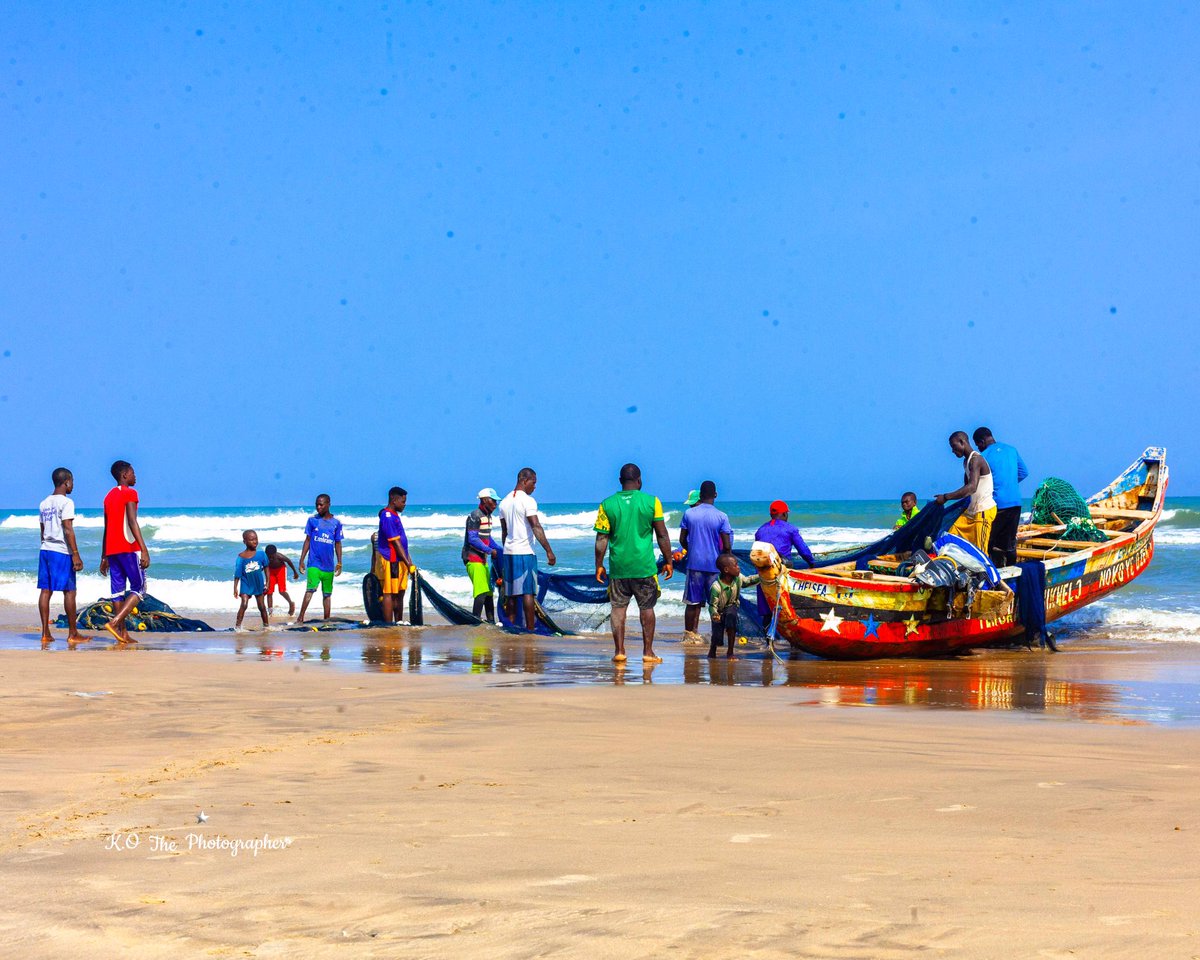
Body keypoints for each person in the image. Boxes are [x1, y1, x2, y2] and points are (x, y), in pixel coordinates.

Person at [594, 463, 675, 664]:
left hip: (619, 568)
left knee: (618, 609)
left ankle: (619, 651)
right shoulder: (652, 502)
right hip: (644, 567)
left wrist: (599, 564)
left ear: (621, 481)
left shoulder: (607, 504)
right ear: (639, 481)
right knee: (646, 608)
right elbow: (662, 534)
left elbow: (601, 538)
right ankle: (648, 652)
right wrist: (668, 560)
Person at [98, 460, 150, 643]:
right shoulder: (130, 493)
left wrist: (104, 555)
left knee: (118, 592)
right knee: (139, 588)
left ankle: (123, 633)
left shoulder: (108, 497)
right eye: (133, 472)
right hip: (129, 548)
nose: (135, 476)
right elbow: (132, 521)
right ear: (124, 475)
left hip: (112, 551)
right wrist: (143, 549)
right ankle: (115, 622)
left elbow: (107, 527)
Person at [498, 467, 556, 630]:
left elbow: (505, 532)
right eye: (533, 482)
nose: (535, 486)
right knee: (528, 593)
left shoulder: (504, 502)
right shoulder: (528, 501)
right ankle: (530, 629)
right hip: (525, 553)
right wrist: (549, 551)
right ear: (524, 481)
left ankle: (510, 628)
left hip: (509, 552)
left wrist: (507, 549)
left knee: (510, 595)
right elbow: (536, 526)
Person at [37, 467, 88, 645]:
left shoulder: (44, 503)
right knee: (69, 591)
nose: (73, 485)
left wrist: (45, 546)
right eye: (72, 482)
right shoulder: (67, 502)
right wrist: (76, 554)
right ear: (66, 482)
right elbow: (68, 528)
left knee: (46, 590)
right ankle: (73, 633)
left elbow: (42, 531)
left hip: (45, 550)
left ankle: (45, 633)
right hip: (61, 551)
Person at [679, 480, 732, 641]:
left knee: (692, 602)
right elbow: (727, 545)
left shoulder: (689, 514)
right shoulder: (722, 516)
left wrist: (692, 548)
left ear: (700, 496)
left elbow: (682, 539)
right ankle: (716, 636)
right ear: (715, 495)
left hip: (694, 564)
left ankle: (689, 636)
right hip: (715, 566)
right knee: (716, 604)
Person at [974, 427, 1029, 568]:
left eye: (978, 445)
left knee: (992, 543)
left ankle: (996, 573)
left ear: (981, 441)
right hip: (1016, 501)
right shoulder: (1011, 450)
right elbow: (1024, 472)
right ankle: (1013, 571)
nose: (978, 448)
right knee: (1010, 542)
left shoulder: (984, 456)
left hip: (998, 504)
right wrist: (1008, 483)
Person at [753, 500, 814, 621]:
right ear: (785, 514)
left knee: (767, 612)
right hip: (781, 574)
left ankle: (769, 639)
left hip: (763, 575)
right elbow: (804, 551)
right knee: (786, 607)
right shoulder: (790, 529)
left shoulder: (760, 530)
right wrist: (812, 564)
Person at [935, 432, 996, 553]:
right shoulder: (966, 462)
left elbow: (971, 488)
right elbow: (965, 488)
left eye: (953, 446)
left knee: (981, 551)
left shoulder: (976, 459)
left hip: (983, 512)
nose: (952, 450)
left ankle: (984, 571)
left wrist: (946, 497)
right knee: (949, 533)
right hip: (971, 511)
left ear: (962, 442)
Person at [297, 494, 343, 623]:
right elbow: (307, 540)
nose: (318, 507)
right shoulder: (312, 521)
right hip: (314, 563)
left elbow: (338, 543)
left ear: (328, 504)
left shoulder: (336, 523)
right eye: (316, 504)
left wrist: (339, 562)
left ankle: (326, 620)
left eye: (321, 504)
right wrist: (301, 560)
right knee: (310, 589)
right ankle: (300, 618)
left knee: (327, 594)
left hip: (328, 565)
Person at [462, 487, 503, 623]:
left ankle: (491, 621)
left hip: (482, 560)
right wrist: (490, 551)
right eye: (493, 501)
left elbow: (487, 538)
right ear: (485, 500)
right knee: (481, 592)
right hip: (473, 559)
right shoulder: (475, 515)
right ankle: (475, 621)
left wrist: (500, 549)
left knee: (489, 592)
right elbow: (473, 539)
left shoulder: (488, 517)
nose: (495, 504)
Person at [708, 553, 759, 659]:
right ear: (726, 570)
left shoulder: (738, 578)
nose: (738, 567)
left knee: (731, 622)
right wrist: (714, 614)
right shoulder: (716, 587)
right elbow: (712, 605)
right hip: (719, 611)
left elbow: (747, 581)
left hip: (732, 606)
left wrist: (762, 576)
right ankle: (712, 650)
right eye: (735, 565)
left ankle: (730, 652)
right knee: (717, 634)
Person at [376, 486, 416, 624]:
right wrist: (408, 563)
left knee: (400, 592)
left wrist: (409, 562)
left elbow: (403, 544)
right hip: (391, 559)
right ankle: (388, 625)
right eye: (403, 501)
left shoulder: (394, 515)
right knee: (389, 593)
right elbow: (396, 543)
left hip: (400, 560)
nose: (404, 505)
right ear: (394, 499)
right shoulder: (387, 516)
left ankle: (398, 621)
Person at [233, 530, 269, 628]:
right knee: (244, 604)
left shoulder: (261, 554)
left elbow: (266, 567)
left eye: (256, 539)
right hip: (246, 583)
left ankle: (266, 626)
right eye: (251, 539)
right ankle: (238, 627)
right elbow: (237, 574)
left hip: (258, 583)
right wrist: (235, 588)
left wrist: (268, 582)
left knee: (261, 606)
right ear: (245, 541)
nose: (255, 541)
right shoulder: (241, 557)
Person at [264, 544, 298, 617]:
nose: (270, 558)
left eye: (272, 556)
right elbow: (262, 567)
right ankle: (270, 613)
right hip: (270, 571)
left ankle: (291, 603)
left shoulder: (279, 556)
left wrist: (295, 572)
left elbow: (289, 561)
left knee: (282, 591)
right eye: (269, 556)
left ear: (275, 554)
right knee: (269, 592)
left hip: (280, 570)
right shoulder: (265, 557)